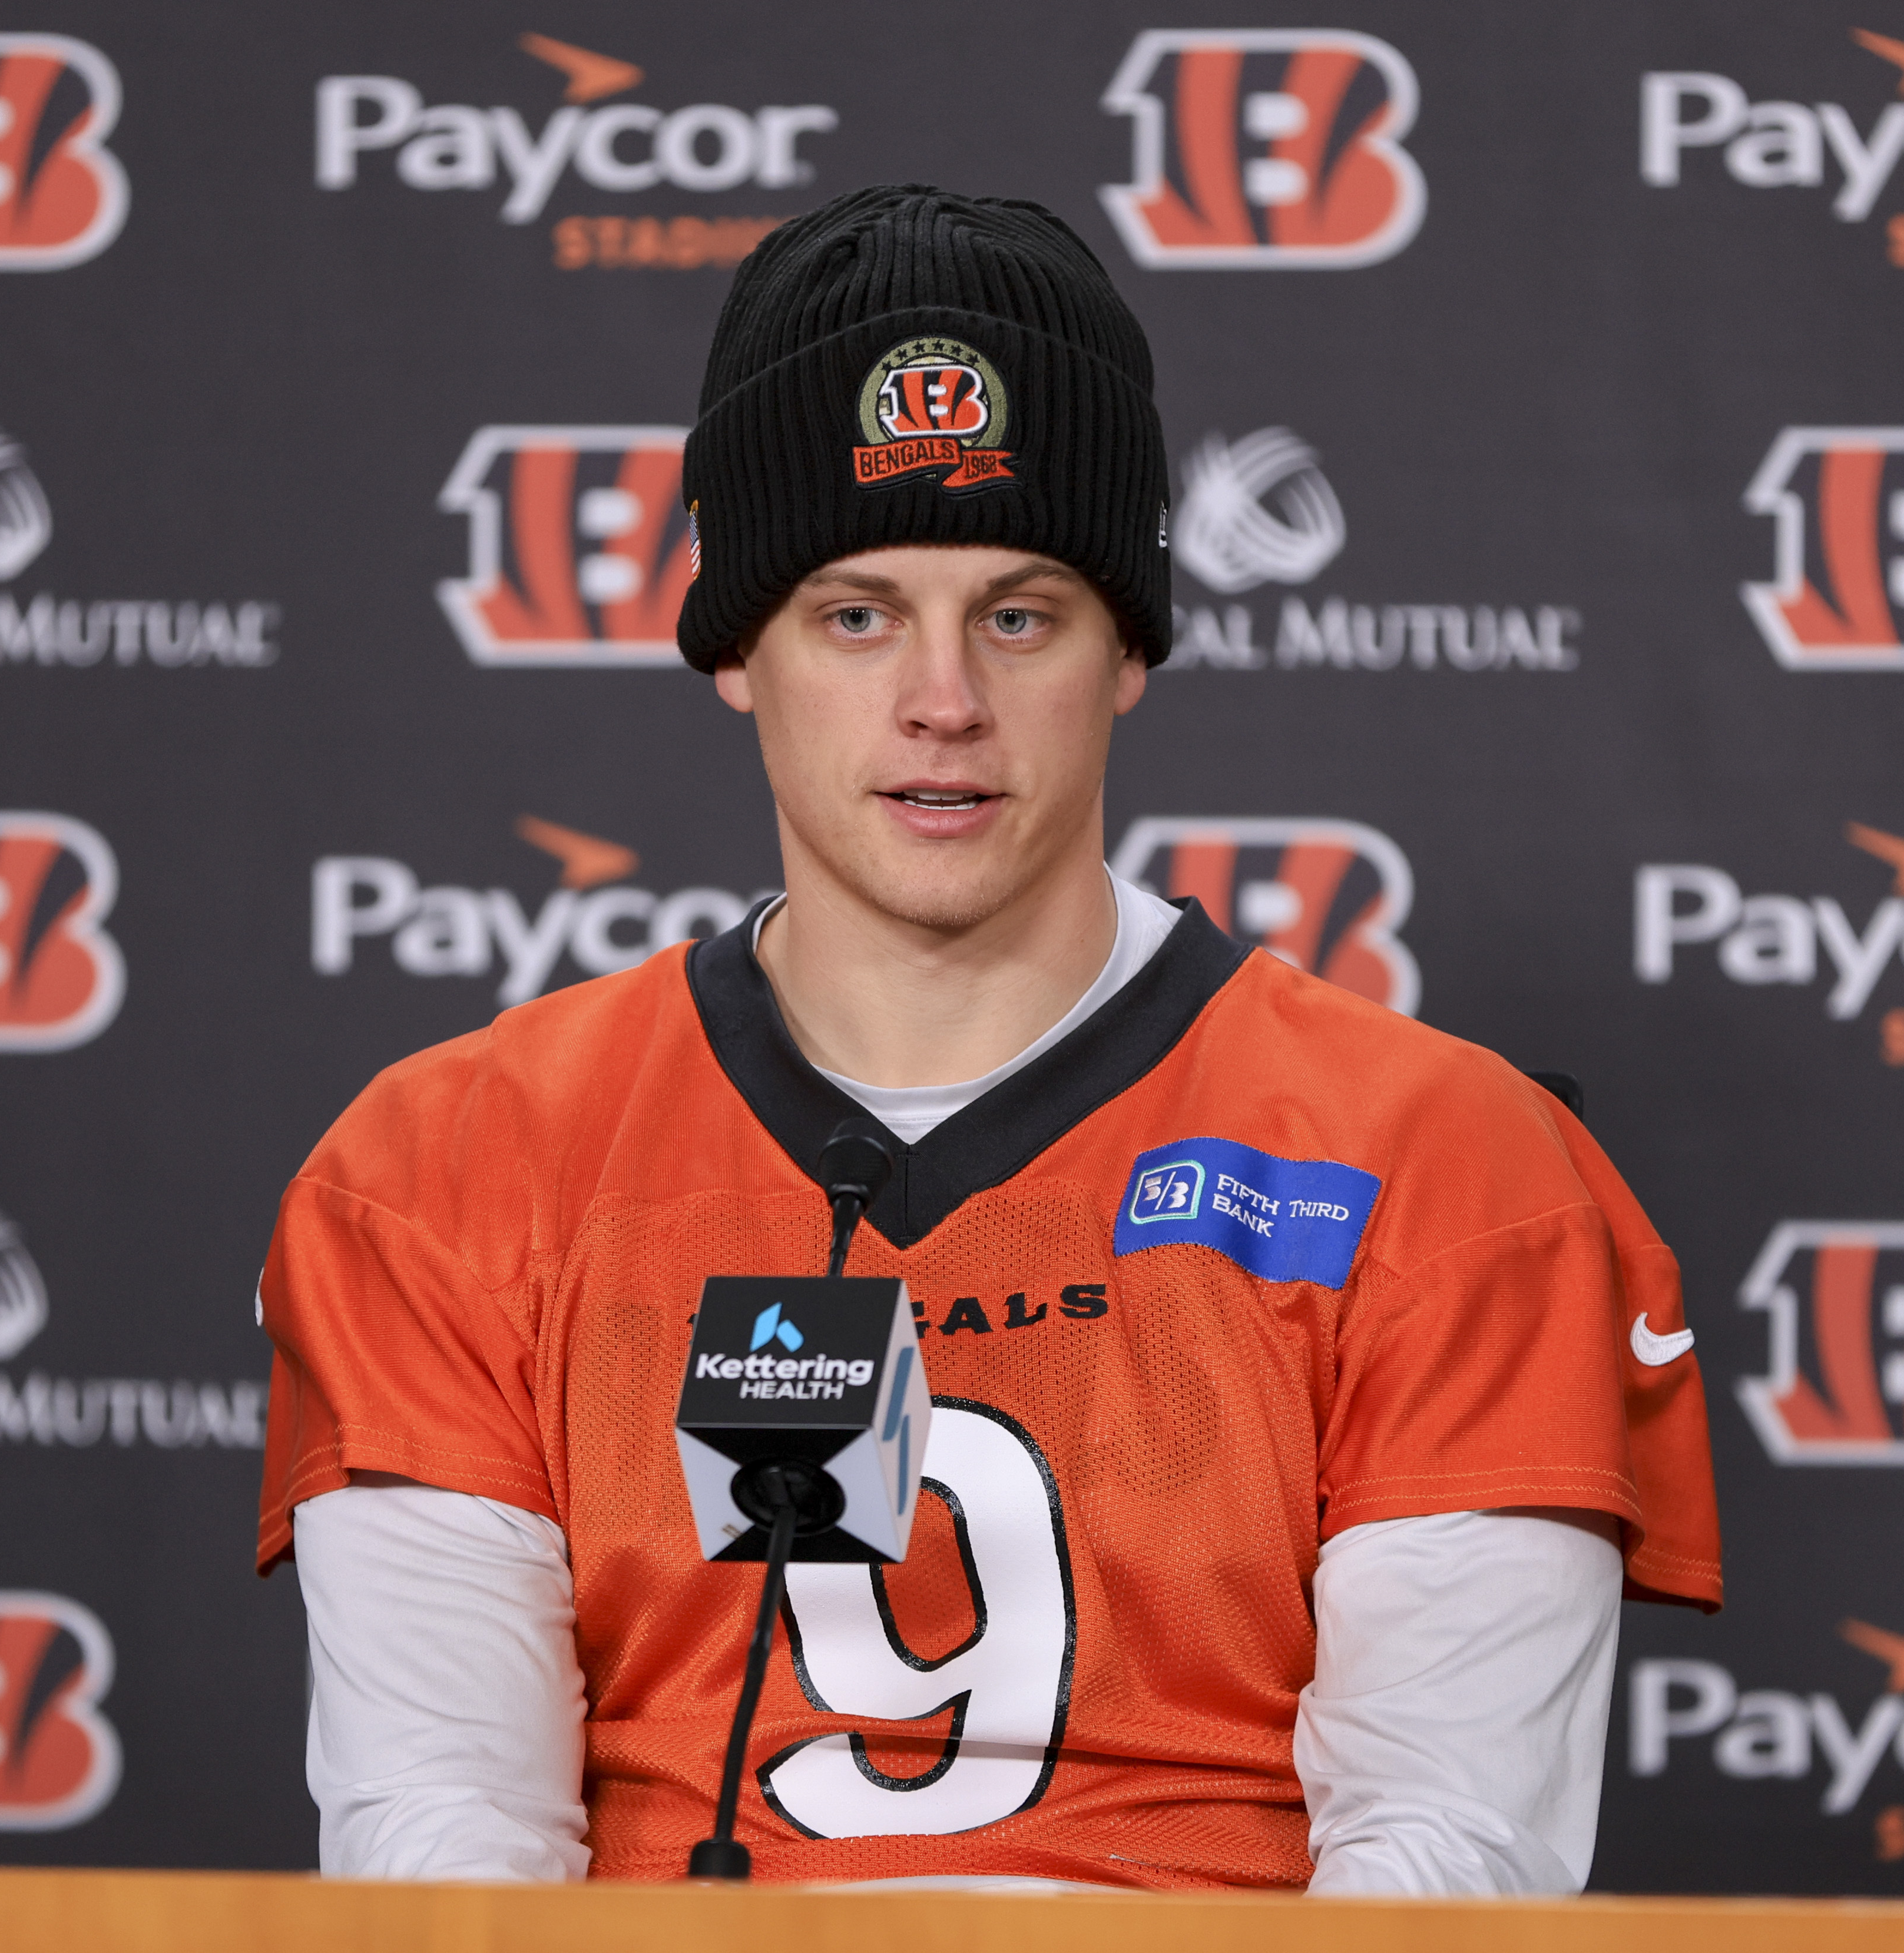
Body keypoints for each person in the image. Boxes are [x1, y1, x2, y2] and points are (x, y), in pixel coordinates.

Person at [254, 184, 1721, 1894]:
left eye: (1019, 614)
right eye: (857, 614)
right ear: (739, 648)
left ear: (1129, 653)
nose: (941, 698)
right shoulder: (444, 1174)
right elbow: (450, 1865)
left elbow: (1444, 1872)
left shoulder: (1441, 1169)